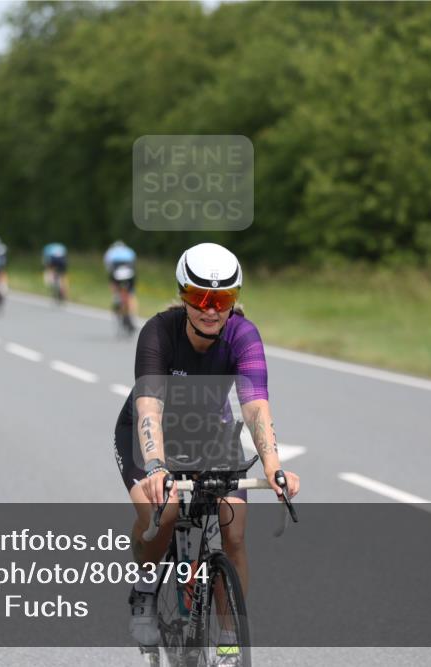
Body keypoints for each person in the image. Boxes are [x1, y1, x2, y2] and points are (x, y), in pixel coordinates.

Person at [112, 242, 299, 657]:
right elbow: (149, 406)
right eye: (200, 298)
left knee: (232, 531)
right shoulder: (159, 331)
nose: (211, 309)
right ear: (184, 294)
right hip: (147, 432)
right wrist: (157, 466)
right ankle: (145, 588)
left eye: (223, 299)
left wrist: (274, 466)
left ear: (234, 301)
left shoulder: (242, 335)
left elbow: (254, 405)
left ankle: (230, 641)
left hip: (209, 434)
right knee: (165, 512)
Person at [103, 240, 138, 323]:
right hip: (130, 272)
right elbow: (134, 263)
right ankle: (133, 315)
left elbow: (107, 266)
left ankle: (116, 297)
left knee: (114, 286)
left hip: (116, 272)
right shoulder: (129, 250)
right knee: (131, 294)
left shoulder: (110, 252)